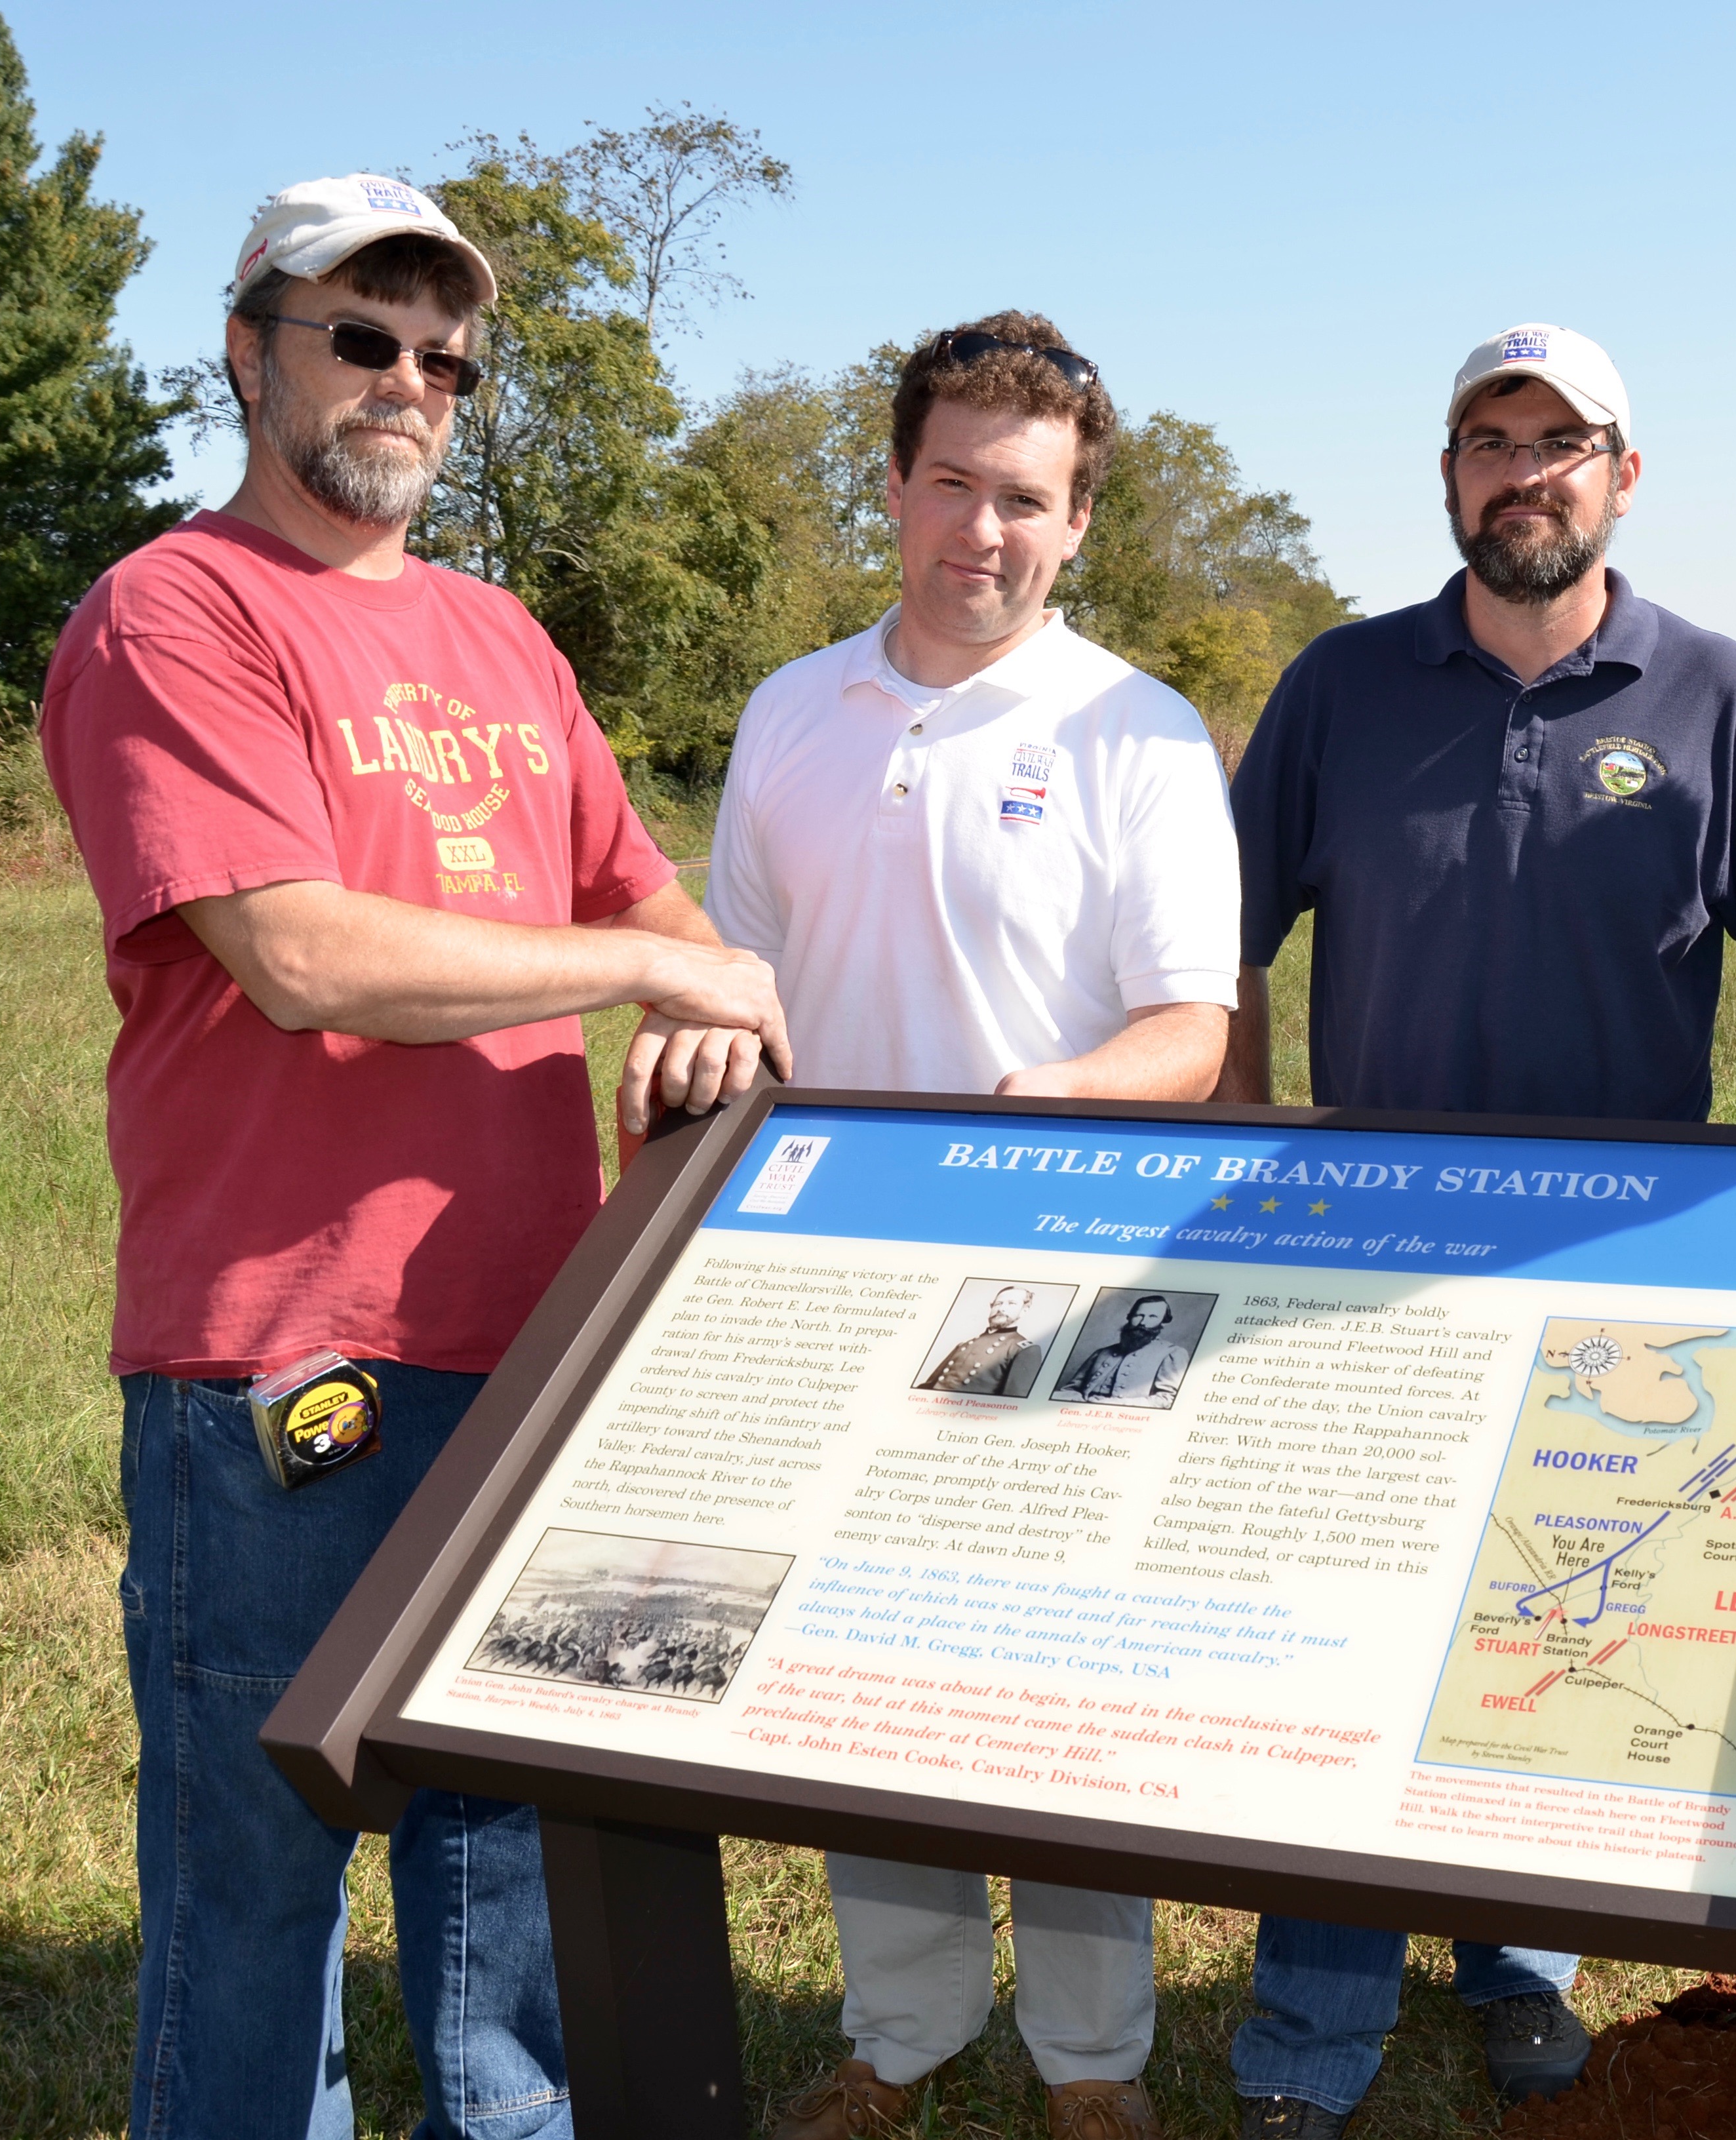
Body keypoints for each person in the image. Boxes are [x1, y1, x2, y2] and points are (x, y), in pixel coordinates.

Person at [39, 174, 787, 2140]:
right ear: (247, 349)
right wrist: (642, 957)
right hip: (289, 1364)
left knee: (510, 1869)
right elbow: (294, 946)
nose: (409, 383)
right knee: (256, 1877)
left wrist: (694, 976)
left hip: (536, 1341)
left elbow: (661, 905)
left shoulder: (503, 642)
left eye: (444, 360)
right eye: (362, 338)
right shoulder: (172, 612)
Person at [1215, 323, 1736, 2137]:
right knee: (1340, 1635)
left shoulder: (1715, 693)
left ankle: (1519, 1966)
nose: (1524, 471)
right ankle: (1310, 2024)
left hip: (1617, 1277)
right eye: (1487, 440)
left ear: (1622, 474)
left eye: (1560, 441)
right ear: (1448, 478)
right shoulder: (1342, 687)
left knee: (1551, 1636)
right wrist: (1266, 1149)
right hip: (1363, 1266)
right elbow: (1225, 945)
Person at [708, 311, 1235, 2140]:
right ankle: (899, 2041)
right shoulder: (790, 713)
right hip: (837, 1279)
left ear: (1076, 522)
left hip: (1071, 1276)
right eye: (953, 485)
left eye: (1026, 499)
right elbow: (740, 997)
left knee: (1055, 1678)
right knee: (873, 1673)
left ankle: (1093, 2067)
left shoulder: (1141, 735)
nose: (982, 532)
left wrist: (1061, 1102)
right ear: (894, 484)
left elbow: (1195, 1029)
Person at [1055, 1294, 1189, 1406]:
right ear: (1130, 1317)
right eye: (1139, 1315)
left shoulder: (1172, 1354)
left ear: (1162, 1321)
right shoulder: (1102, 1353)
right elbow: (1070, 1389)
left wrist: (1114, 1405)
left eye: (1152, 1317)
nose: (1143, 1322)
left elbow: (1167, 1400)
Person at [922, 1284, 1049, 1396]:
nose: (1001, 1309)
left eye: (1012, 1303)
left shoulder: (1024, 1350)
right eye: (998, 1303)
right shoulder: (964, 1345)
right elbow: (929, 1385)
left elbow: (1012, 1402)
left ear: (1024, 1311)